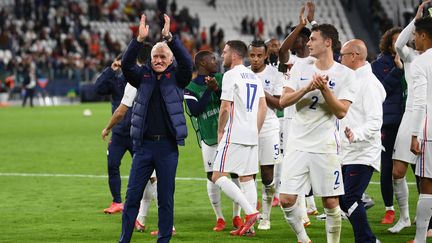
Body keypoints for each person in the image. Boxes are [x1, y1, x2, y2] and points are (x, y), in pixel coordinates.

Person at [279, 24, 357, 243]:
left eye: (313, 39)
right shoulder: (300, 67)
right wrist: (306, 89)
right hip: (297, 144)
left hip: (325, 146)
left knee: (331, 203)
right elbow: (284, 101)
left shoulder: (345, 75)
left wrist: (325, 90)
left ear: (327, 42)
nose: (308, 43)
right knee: (286, 199)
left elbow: (341, 112)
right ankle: (304, 239)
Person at [118, 14, 192, 243]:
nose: (158, 60)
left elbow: (188, 64)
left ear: (170, 60)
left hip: (167, 148)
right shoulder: (142, 77)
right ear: (150, 59)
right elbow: (127, 65)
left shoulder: (178, 78)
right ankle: (124, 240)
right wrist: (138, 40)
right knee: (131, 198)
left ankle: (163, 240)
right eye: (155, 56)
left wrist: (170, 38)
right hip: (143, 147)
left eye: (163, 57)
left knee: (166, 199)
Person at [211, 40, 267, 236]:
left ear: (234, 55)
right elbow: (263, 107)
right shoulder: (253, 76)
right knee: (246, 178)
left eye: (225, 52)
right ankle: (249, 229)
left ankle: (251, 212)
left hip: (235, 133)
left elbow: (225, 108)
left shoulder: (230, 75)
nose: (222, 55)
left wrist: (220, 131)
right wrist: (255, 130)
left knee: (217, 175)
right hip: (252, 133)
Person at [183, 50, 243, 231]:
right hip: (209, 138)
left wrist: (216, 88)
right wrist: (209, 91)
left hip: (228, 134)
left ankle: (237, 216)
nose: (216, 61)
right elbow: (195, 110)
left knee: (235, 173)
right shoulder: (190, 88)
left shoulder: (222, 78)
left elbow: (229, 101)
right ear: (202, 63)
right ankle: (219, 218)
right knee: (212, 176)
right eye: (212, 59)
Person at [390, 0, 432, 234]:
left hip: (427, 117)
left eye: (417, 32)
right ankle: (405, 216)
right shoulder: (411, 56)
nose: (414, 37)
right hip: (411, 115)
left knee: (427, 176)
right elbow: (398, 43)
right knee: (398, 170)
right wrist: (415, 19)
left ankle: (426, 225)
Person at [339, 39, 386, 243]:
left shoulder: (369, 83)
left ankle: (367, 240)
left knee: (349, 198)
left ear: (355, 56)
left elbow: (376, 121)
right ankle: (367, 238)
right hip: (348, 150)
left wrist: (355, 134)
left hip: (363, 151)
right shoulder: (352, 79)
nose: (339, 59)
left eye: (342, 54)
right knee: (343, 199)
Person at [278, 2, 319, 222]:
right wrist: (299, 25)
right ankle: (303, 213)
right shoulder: (291, 61)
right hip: (291, 119)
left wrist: (312, 23)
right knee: (293, 163)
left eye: (299, 37)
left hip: (314, 119)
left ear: (304, 40)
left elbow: (330, 42)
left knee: (313, 163)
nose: (295, 41)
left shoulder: (317, 61)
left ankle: (325, 204)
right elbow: (282, 50)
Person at [247, 40, 283, 230]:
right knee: (248, 176)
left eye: (259, 55)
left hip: (268, 127)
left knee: (268, 175)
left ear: (266, 55)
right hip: (246, 128)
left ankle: (266, 217)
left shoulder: (274, 74)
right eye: (252, 55)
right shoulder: (242, 74)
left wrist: (259, 90)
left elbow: (278, 103)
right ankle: (251, 218)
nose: (255, 59)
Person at [371, 26, 405, 225]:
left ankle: (418, 210)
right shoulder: (378, 65)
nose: (400, 44)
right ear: (388, 43)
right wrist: (397, 69)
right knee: (387, 165)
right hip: (388, 122)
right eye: (396, 41)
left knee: (418, 169)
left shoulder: (414, 61)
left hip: (409, 121)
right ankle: (389, 209)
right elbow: (381, 90)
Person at [95, 54, 132, 215]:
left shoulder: (137, 78)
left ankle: (143, 205)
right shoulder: (115, 80)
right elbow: (97, 89)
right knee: (112, 165)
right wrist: (110, 70)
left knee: (146, 170)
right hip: (118, 133)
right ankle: (117, 202)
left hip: (136, 132)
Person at [408, 15, 432, 243]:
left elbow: (420, 103)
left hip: (430, 132)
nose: (414, 39)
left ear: (424, 35)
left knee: (427, 186)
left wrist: (414, 135)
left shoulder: (420, 62)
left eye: (415, 35)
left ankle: (420, 239)